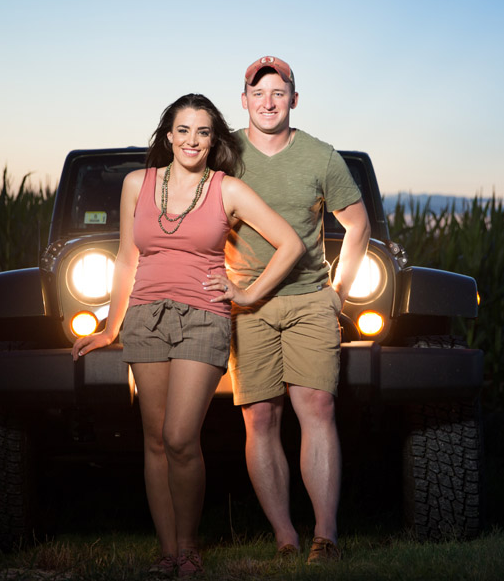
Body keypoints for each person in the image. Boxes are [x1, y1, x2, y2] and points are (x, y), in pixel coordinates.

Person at [72, 93, 304, 578]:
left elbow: (291, 243)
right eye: (183, 130)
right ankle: (169, 552)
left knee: (180, 436)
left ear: (213, 139)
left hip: (203, 317)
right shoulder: (138, 183)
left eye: (202, 131)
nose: (192, 140)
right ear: (168, 136)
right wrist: (110, 326)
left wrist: (245, 293)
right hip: (144, 318)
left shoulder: (227, 189)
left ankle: (190, 545)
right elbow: (125, 258)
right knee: (154, 440)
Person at [225, 56, 371, 564]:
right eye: (258, 93)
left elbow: (358, 226)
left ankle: (325, 537)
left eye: (279, 93)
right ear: (243, 100)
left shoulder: (321, 156)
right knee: (260, 417)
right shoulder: (224, 153)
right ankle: (285, 537)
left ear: (294, 99)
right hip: (247, 303)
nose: (268, 102)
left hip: (310, 298)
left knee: (318, 406)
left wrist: (339, 295)